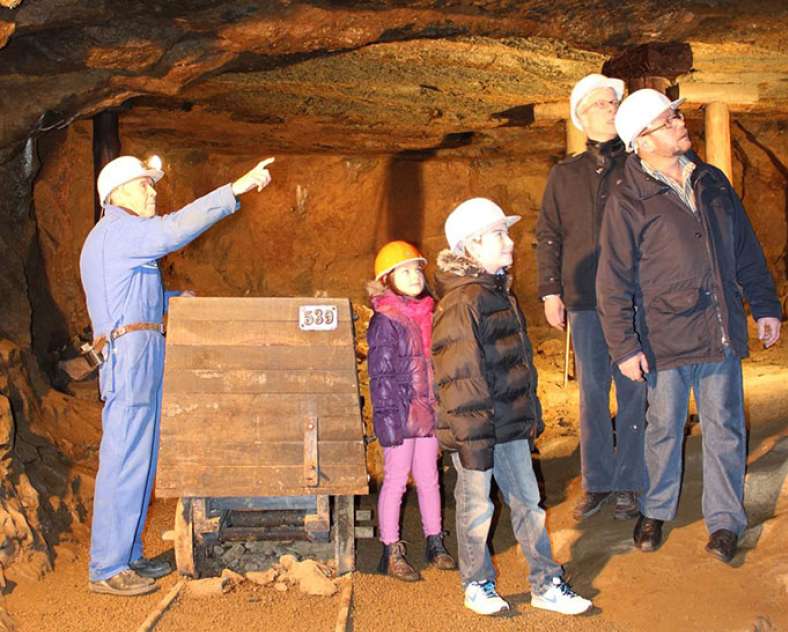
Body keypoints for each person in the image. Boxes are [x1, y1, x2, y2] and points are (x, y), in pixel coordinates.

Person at [596, 88, 782, 563]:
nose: (680, 124)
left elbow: (746, 251)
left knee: (726, 428)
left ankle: (724, 522)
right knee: (663, 427)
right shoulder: (628, 198)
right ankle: (657, 509)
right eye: (667, 120)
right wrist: (624, 346)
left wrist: (764, 305)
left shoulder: (712, 181)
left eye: (675, 115)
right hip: (664, 336)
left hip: (718, 329)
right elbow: (612, 279)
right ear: (642, 140)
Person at [81, 154, 275, 595]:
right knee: (124, 461)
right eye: (144, 186)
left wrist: (172, 297)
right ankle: (107, 567)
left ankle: (127, 556)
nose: (153, 192)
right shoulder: (118, 231)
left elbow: (127, 296)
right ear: (117, 194)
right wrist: (234, 190)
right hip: (129, 358)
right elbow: (173, 229)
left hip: (142, 352)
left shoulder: (121, 239)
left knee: (141, 461)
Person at [432, 198, 592, 616]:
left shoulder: (497, 292)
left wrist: (528, 418)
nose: (510, 243)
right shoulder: (463, 302)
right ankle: (477, 583)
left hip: (509, 425)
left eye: (507, 233)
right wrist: (472, 444)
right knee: (476, 509)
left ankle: (545, 582)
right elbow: (459, 379)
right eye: (498, 235)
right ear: (470, 246)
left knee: (529, 505)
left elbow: (514, 366)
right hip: (477, 433)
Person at [537, 73, 646, 521]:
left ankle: (631, 481)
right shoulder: (564, 175)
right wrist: (549, 291)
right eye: (601, 102)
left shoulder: (639, 166)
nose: (610, 107)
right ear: (581, 116)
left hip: (634, 299)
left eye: (613, 101)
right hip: (583, 300)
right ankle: (598, 480)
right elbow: (548, 235)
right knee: (592, 393)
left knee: (636, 389)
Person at [367, 241, 456, 581]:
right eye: (404, 271)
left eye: (417, 269)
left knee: (430, 480)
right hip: (401, 417)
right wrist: (389, 424)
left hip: (428, 415)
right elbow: (382, 377)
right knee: (395, 482)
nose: (414, 275)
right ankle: (391, 549)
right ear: (387, 279)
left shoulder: (431, 314)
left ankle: (435, 541)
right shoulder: (386, 321)